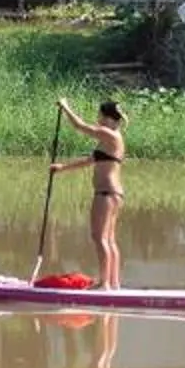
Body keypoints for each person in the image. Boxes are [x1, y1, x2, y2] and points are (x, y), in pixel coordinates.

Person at [53, 97, 128, 290]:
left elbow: (79, 126)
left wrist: (65, 107)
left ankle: (104, 284)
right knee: (109, 239)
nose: (98, 120)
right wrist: (62, 168)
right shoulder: (111, 139)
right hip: (113, 193)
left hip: (106, 193)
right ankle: (113, 283)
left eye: (100, 116)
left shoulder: (108, 134)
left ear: (108, 117)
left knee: (99, 237)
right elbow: (90, 160)